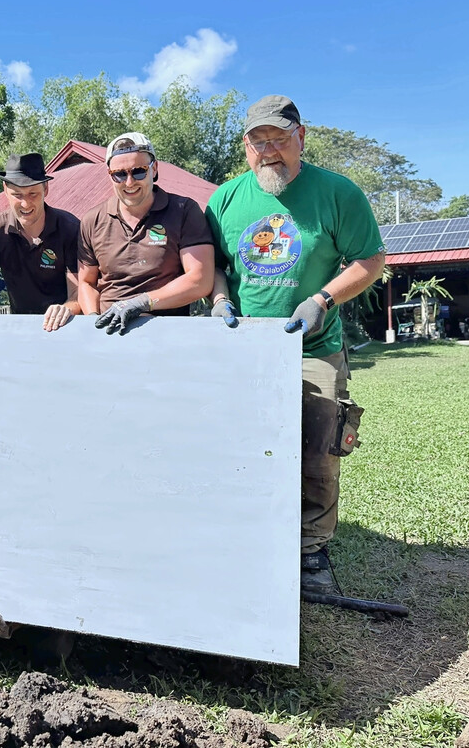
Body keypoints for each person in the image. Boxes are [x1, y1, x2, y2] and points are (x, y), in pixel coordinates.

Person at [204, 95, 386, 594]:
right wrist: (220, 300)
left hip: (313, 347)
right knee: (239, 444)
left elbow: (370, 260)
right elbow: (214, 263)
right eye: (258, 142)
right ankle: (247, 536)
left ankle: (311, 554)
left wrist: (323, 299)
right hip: (245, 352)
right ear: (246, 147)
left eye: (279, 140)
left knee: (319, 447)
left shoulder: (337, 194)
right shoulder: (225, 200)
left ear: (300, 137)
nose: (269, 151)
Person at [78, 132, 214, 335]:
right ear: (110, 175)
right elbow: (86, 282)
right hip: (109, 332)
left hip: (166, 332)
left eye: (138, 171)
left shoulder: (183, 211)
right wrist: (93, 320)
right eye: (120, 174)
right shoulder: (93, 220)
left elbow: (200, 279)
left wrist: (143, 302)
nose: (130, 182)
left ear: (154, 168)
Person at [0, 153, 81, 331]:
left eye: (33, 194)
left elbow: (78, 294)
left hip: (64, 327)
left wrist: (65, 309)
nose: (25, 203)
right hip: (18, 328)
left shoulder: (70, 229)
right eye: (17, 195)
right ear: (5, 189)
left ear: (46, 188)